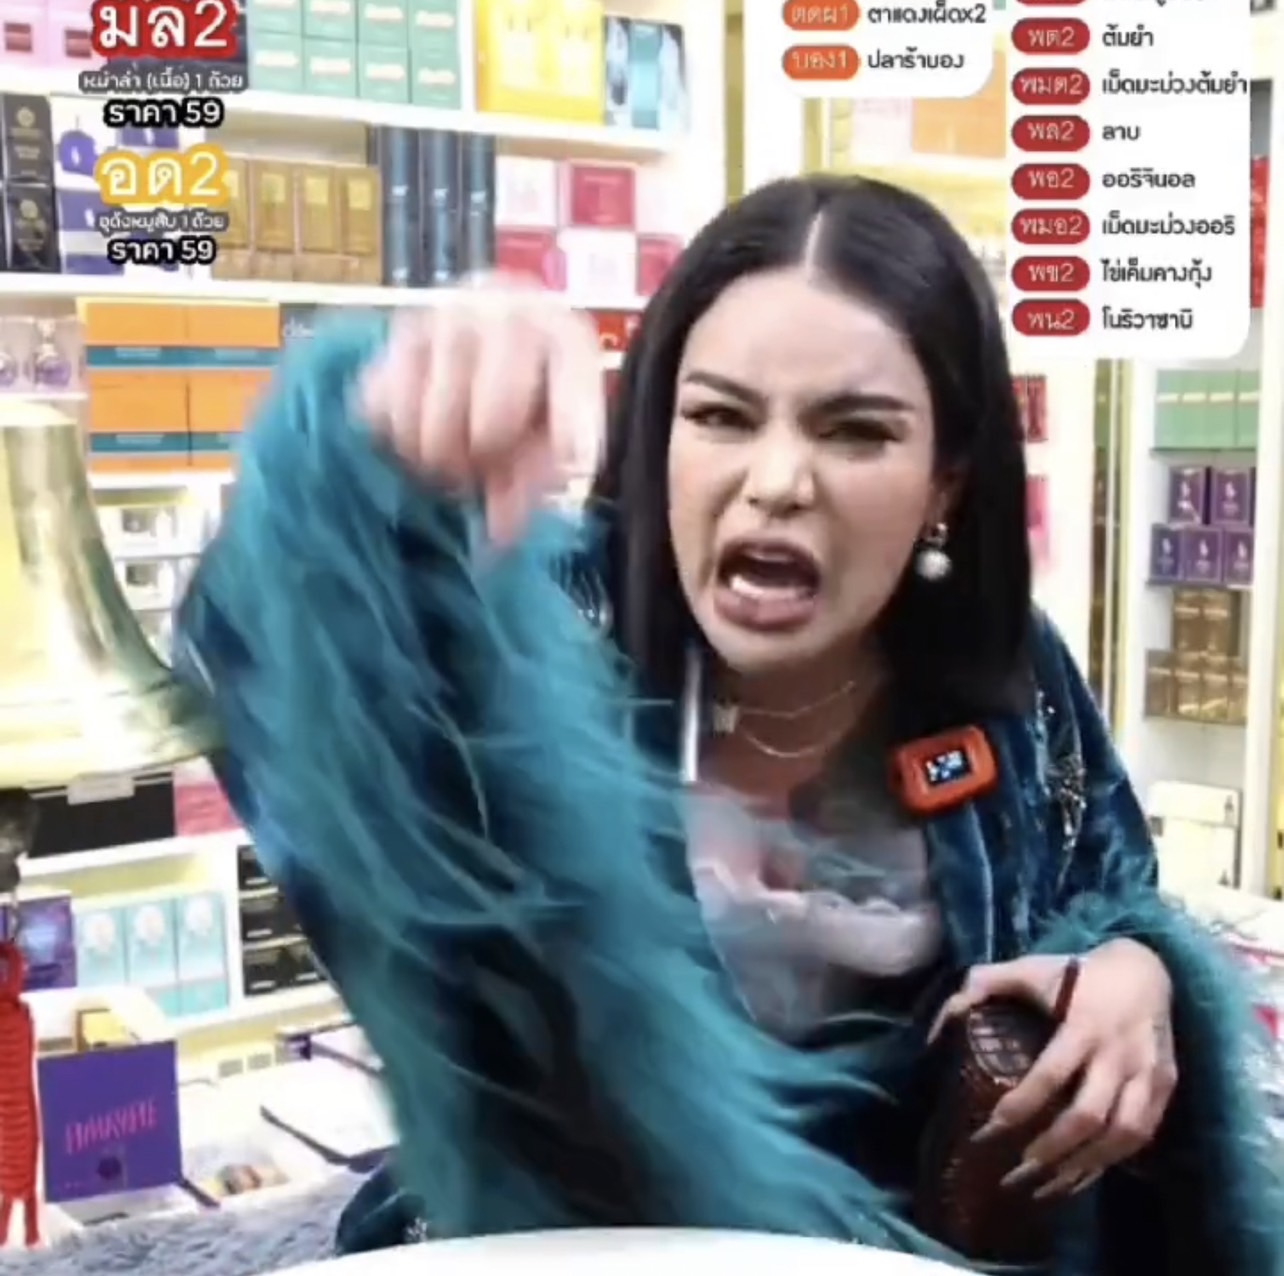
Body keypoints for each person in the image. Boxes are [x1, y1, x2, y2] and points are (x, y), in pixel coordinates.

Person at [175, 176, 1284, 1275]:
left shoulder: (1006, 676)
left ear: (945, 481)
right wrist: (364, 462)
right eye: (720, 417)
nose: (777, 481)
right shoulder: (537, 624)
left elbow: (1111, 889)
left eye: (856, 431)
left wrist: (1137, 970)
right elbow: (266, 676)